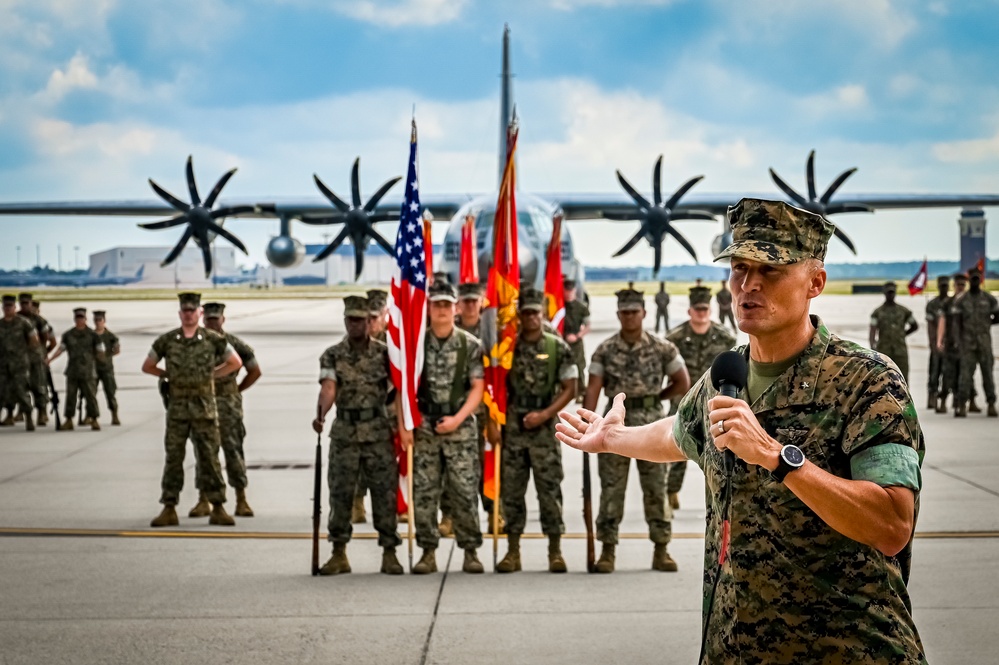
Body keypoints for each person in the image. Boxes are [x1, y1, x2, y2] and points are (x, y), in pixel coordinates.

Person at [557, 198, 926, 663]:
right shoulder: (726, 374)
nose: (748, 285)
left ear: (815, 282)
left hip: (846, 651)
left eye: (770, 271)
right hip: (735, 650)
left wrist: (777, 456)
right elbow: (680, 434)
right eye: (739, 269)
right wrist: (612, 438)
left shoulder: (868, 381)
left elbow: (892, 524)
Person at [584, 288, 690, 573]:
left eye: (635, 311)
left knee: (656, 487)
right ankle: (607, 551)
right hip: (612, 427)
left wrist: (657, 397)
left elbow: (682, 381)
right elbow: (593, 388)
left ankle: (661, 548)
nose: (630, 316)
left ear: (644, 313)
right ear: (618, 314)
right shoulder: (605, 349)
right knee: (611, 489)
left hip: (651, 424)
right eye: (625, 312)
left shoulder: (661, 347)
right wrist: (588, 426)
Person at [400, 278, 486, 575]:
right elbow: (403, 386)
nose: (442, 310)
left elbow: (478, 387)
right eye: (436, 304)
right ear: (429, 307)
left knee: (463, 491)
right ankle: (427, 551)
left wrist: (458, 419)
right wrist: (404, 424)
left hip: (459, 428)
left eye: (447, 305)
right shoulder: (415, 345)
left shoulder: (470, 344)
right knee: (425, 492)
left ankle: (470, 550)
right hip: (424, 427)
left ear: (456, 308)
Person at [313, 295, 402, 575]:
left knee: (384, 495)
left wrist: (399, 419)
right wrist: (321, 414)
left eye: (361, 320)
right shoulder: (333, 354)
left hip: (377, 432)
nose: (355, 325)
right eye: (350, 320)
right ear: (345, 321)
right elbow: (329, 387)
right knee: (340, 494)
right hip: (345, 434)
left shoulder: (385, 353)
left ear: (369, 322)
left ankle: (390, 553)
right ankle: (339, 553)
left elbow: (399, 387)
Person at [495, 287, 577, 573]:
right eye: (526, 313)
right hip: (514, 429)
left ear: (543, 314)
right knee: (512, 493)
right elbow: (497, 386)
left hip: (543, 429)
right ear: (519, 316)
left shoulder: (556, 347)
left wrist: (545, 414)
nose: (531, 318)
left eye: (536, 312)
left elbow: (570, 387)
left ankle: (555, 551)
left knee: (549, 490)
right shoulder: (508, 347)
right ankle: (512, 551)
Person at [141, 292, 242, 528]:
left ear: (200, 313)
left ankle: (218, 507)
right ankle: (169, 507)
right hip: (177, 408)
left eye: (192, 310)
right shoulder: (167, 340)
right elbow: (148, 365)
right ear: (180, 314)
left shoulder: (212, 339)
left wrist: (211, 376)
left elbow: (235, 362)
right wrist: (167, 375)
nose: (188, 314)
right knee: (174, 458)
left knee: (209, 458)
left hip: (204, 407)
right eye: (185, 311)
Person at [187, 302, 263, 518]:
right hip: (202, 404)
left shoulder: (235, 344)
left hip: (228, 406)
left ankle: (241, 499)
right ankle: (204, 500)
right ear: (203, 319)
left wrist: (237, 390)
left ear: (223, 320)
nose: (212, 322)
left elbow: (255, 370)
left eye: (215, 319)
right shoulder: (193, 344)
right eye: (208, 319)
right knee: (204, 453)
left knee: (233, 451)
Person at [664, 285, 736, 510]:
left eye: (705, 309)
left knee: (717, 454)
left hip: (714, 404)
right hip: (682, 404)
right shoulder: (674, 338)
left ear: (710, 310)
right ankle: (671, 490)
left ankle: (717, 498)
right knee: (678, 448)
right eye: (697, 309)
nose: (701, 313)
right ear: (690, 311)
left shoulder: (725, 338)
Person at [449, 280, 496, 534]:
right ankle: (449, 516)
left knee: (487, 462)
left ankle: (492, 512)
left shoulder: (491, 332)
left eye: (473, 301)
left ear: (481, 303)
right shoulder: (447, 330)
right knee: (452, 467)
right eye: (465, 301)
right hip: (457, 411)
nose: (469, 306)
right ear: (458, 304)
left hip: (486, 411)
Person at [351, 288, 391, 525]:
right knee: (361, 462)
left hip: (391, 410)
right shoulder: (360, 343)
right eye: (370, 317)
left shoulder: (394, 342)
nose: (373, 322)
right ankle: (358, 501)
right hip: (365, 412)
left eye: (377, 317)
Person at [951, 268, 998, 418]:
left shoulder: (989, 299)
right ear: (969, 280)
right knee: (965, 376)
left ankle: (991, 403)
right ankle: (962, 404)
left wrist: (986, 324)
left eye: (978, 278)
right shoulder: (961, 300)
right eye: (973, 278)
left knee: (988, 375)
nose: (975, 281)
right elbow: (956, 323)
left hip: (984, 344)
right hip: (967, 345)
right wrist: (958, 342)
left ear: (981, 279)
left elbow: (997, 316)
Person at [47, 308, 104, 431]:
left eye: (82, 317)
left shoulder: (93, 335)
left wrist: (98, 361)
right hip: (73, 371)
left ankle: (94, 419)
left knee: (90, 397)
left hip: (88, 371)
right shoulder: (68, 335)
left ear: (85, 319)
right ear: (74, 319)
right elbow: (61, 349)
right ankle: (68, 420)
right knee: (71, 396)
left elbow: (100, 352)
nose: (80, 319)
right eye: (78, 317)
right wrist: (50, 359)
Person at [937, 272, 976, 414]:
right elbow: (942, 321)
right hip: (951, 344)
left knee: (966, 375)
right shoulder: (948, 303)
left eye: (963, 285)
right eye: (958, 284)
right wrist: (939, 340)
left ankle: (967, 402)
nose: (961, 287)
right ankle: (943, 401)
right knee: (948, 374)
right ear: (954, 285)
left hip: (967, 345)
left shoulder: (970, 302)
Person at [0, 294, 39, 430]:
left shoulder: (23, 323)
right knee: (3, 391)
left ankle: (28, 417)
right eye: (5, 306)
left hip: (20, 364)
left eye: (10, 306)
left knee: (22, 391)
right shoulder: (0, 324)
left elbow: (34, 341)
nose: (7, 309)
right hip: (3, 365)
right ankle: (8, 415)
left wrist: (23, 353)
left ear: (14, 307)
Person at [869, 281, 918, 382]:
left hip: (900, 352)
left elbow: (914, 326)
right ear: (884, 293)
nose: (890, 295)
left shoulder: (903, 311)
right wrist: (872, 346)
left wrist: (903, 334)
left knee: (903, 379)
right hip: (884, 351)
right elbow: (872, 330)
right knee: (882, 380)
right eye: (888, 293)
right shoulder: (878, 312)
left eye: (892, 292)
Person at [17, 293, 50, 426]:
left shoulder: (39, 320)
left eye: (27, 303)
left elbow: (45, 338)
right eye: (22, 303)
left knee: (39, 386)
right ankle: (21, 413)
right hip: (19, 359)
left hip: (36, 358)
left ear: (31, 303)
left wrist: (42, 352)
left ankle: (42, 413)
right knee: (20, 387)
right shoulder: (16, 318)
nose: (25, 305)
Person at [924, 275, 951, 411]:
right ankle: (931, 396)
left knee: (947, 373)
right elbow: (930, 326)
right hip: (936, 343)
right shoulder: (932, 304)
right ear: (938, 286)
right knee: (934, 372)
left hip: (950, 346)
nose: (944, 288)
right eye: (942, 286)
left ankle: (943, 399)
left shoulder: (953, 303)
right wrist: (933, 343)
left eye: (946, 286)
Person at [92, 310, 121, 426]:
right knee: (90, 393)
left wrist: (107, 356)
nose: (98, 323)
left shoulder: (110, 336)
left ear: (104, 321)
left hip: (107, 368)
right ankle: (90, 415)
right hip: (93, 368)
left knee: (110, 392)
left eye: (100, 320)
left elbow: (117, 349)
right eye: (96, 320)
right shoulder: (91, 335)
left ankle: (114, 415)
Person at [562, 279, 590, 400]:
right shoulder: (559, 306)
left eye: (571, 291)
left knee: (580, 366)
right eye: (566, 291)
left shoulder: (581, 307)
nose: (569, 293)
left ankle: (581, 392)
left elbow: (587, 325)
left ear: (574, 290)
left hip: (576, 342)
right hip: (562, 342)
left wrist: (578, 336)